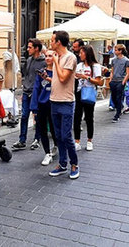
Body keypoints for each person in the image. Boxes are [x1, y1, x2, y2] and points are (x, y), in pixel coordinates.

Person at [48, 31, 79, 179]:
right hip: (54, 100)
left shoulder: (70, 57)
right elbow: (56, 80)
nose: (50, 42)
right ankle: (62, 164)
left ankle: (74, 164)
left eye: (52, 40)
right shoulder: (57, 57)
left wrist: (55, 62)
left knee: (66, 135)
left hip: (66, 102)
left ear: (59, 42)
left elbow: (63, 79)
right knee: (58, 136)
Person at [12, 38, 46, 150]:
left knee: (37, 117)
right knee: (24, 116)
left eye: (30, 47)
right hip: (27, 92)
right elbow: (26, 76)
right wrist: (23, 91)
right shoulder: (29, 60)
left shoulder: (44, 62)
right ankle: (22, 140)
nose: (27, 49)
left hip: (37, 94)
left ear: (37, 48)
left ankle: (37, 139)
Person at [30, 50, 58, 165]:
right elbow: (36, 89)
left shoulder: (59, 73)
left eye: (50, 56)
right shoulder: (41, 73)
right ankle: (47, 153)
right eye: (46, 56)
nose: (47, 58)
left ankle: (56, 146)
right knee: (42, 130)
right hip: (42, 104)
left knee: (54, 129)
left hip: (54, 104)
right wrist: (34, 107)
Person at [74, 45, 103, 151]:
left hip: (89, 92)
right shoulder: (79, 65)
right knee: (77, 117)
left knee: (89, 117)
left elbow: (99, 81)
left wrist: (86, 77)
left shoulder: (95, 66)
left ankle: (89, 140)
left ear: (87, 54)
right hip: (79, 92)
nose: (80, 55)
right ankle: (77, 141)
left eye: (81, 53)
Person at [109, 44, 129, 123]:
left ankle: (117, 114)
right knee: (114, 97)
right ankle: (119, 107)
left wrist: (123, 82)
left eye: (116, 50)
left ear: (121, 51)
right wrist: (110, 80)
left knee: (118, 97)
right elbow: (112, 71)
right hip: (114, 81)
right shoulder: (113, 60)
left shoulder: (126, 60)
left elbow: (128, 73)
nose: (115, 51)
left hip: (120, 81)